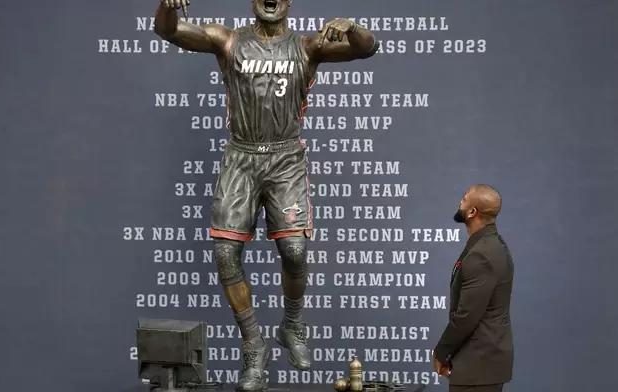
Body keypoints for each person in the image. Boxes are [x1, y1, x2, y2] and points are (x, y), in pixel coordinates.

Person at [153, 1, 379, 390]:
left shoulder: (307, 47)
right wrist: (166, 7)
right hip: (241, 156)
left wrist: (352, 26)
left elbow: (366, 48)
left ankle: (292, 324)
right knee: (225, 254)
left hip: (285, 158)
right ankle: (253, 346)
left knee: (295, 251)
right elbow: (168, 30)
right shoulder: (228, 41)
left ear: (289, 2)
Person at [433, 185, 514, 392]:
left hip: (478, 365)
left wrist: (442, 352)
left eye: (465, 198)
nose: (460, 201)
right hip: (481, 365)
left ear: (472, 212)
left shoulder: (482, 255)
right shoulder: (491, 245)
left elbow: (467, 315)